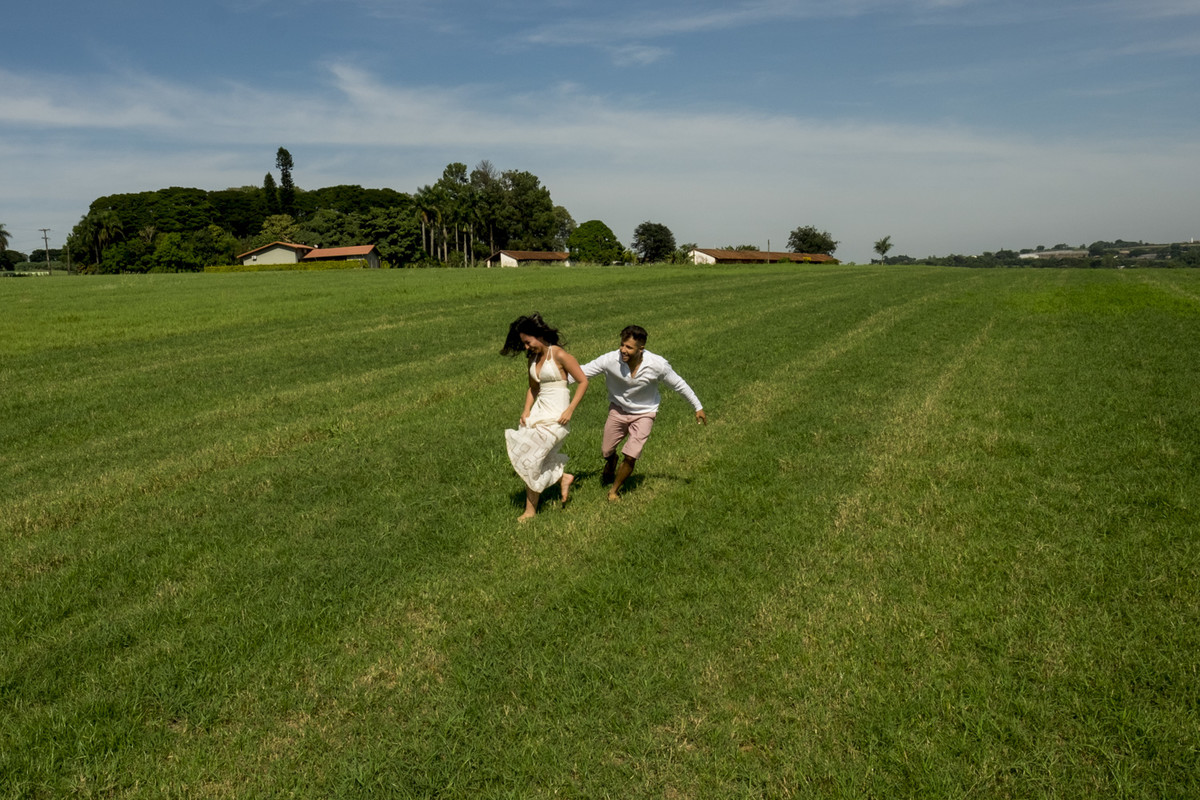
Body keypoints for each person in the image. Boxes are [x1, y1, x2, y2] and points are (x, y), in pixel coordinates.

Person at [579, 325, 706, 501]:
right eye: (622, 345)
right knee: (606, 450)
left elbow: (679, 384)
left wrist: (697, 406)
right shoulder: (610, 360)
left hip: (645, 413)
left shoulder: (657, 365)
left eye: (629, 347)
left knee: (631, 455)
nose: (623, 350)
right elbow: (582, 372)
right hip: (618, 409)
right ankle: (611, 460)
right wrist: (554, 382)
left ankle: (614, 491)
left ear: (641, 349)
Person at [501, 313, 589, 520]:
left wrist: (569, 410)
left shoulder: (558, 355)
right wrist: (526, 410)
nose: (526, 347)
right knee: (532, 457)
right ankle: (562, 477)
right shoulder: (532, 359)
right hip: (539, 412)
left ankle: (530, 511)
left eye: (528, 342)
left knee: (532, 459)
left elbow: (583, 381)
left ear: (538, 335)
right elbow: (533, 389)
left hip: (557, 416)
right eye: (523, 344)